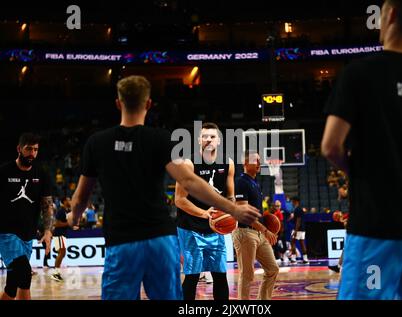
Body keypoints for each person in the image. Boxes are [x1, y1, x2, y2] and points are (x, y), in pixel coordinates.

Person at [66, 75, 260, 300]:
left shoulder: (97, 143)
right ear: (148, 104)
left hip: (121, 239)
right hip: (160, 238)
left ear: (118, 103)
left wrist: (74, 217)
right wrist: (234, 209)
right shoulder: (160, 139)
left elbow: (80, 198)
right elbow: (189, 181)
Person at [321, 0, 402, 299]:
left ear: (389, 15)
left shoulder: (359, 73)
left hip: (376, 224)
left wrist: (361, 170)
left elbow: (330, 145)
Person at [175, 122, 235, 300]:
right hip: (190, 227)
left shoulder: (228, 163)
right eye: (204, 136)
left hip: (215, 227)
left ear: (219, 141)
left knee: (220, 274)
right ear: (199, 140)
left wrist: (231, 212)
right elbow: (179, 200)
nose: (208, 139)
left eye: (212, 136)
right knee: (193, 276)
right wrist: (204, 214)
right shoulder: (188, 164)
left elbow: (230, 196)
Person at [0, 133, 53, 300]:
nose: (32, 153)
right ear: (19, 149)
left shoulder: (42, 173)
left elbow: (47, 204)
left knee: (14, 284)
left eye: (36, 150)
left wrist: (47, 231)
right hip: (6, 233)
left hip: (28, 234)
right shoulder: (3, 172)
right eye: (28, 149)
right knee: (24, 271)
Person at [233, 150, 279, 300]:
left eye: (259, 160)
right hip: (245, 232)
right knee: (247, 275)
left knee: (272, 269)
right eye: (255, 160)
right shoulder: (241, 182)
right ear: (245, 163)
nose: (259, 163)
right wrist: (266, 230)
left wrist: (267, 223)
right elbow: (244, 215)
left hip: (258, 233)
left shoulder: (255, 183)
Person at [50, 196, 71, 282]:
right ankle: (55, 273)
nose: (70, 201)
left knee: (62, 253)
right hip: (59, 234)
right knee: (62, 253)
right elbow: (56, 224)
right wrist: (68, 223)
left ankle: (56, 273)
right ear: (64, 201)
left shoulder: (65, 211)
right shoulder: (61, 211)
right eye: (68, 200)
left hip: (62, 234)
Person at [289, 196, 309, 264]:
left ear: (296, 201)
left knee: (292, 242)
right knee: (302, 243)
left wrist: (295, 231)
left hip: (298, 229)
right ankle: (305, 259)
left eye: (292, 201)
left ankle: (293, 259)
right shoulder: (300, 209)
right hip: (303, 229)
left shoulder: (297, 209)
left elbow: (298, 221)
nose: (292, 202)